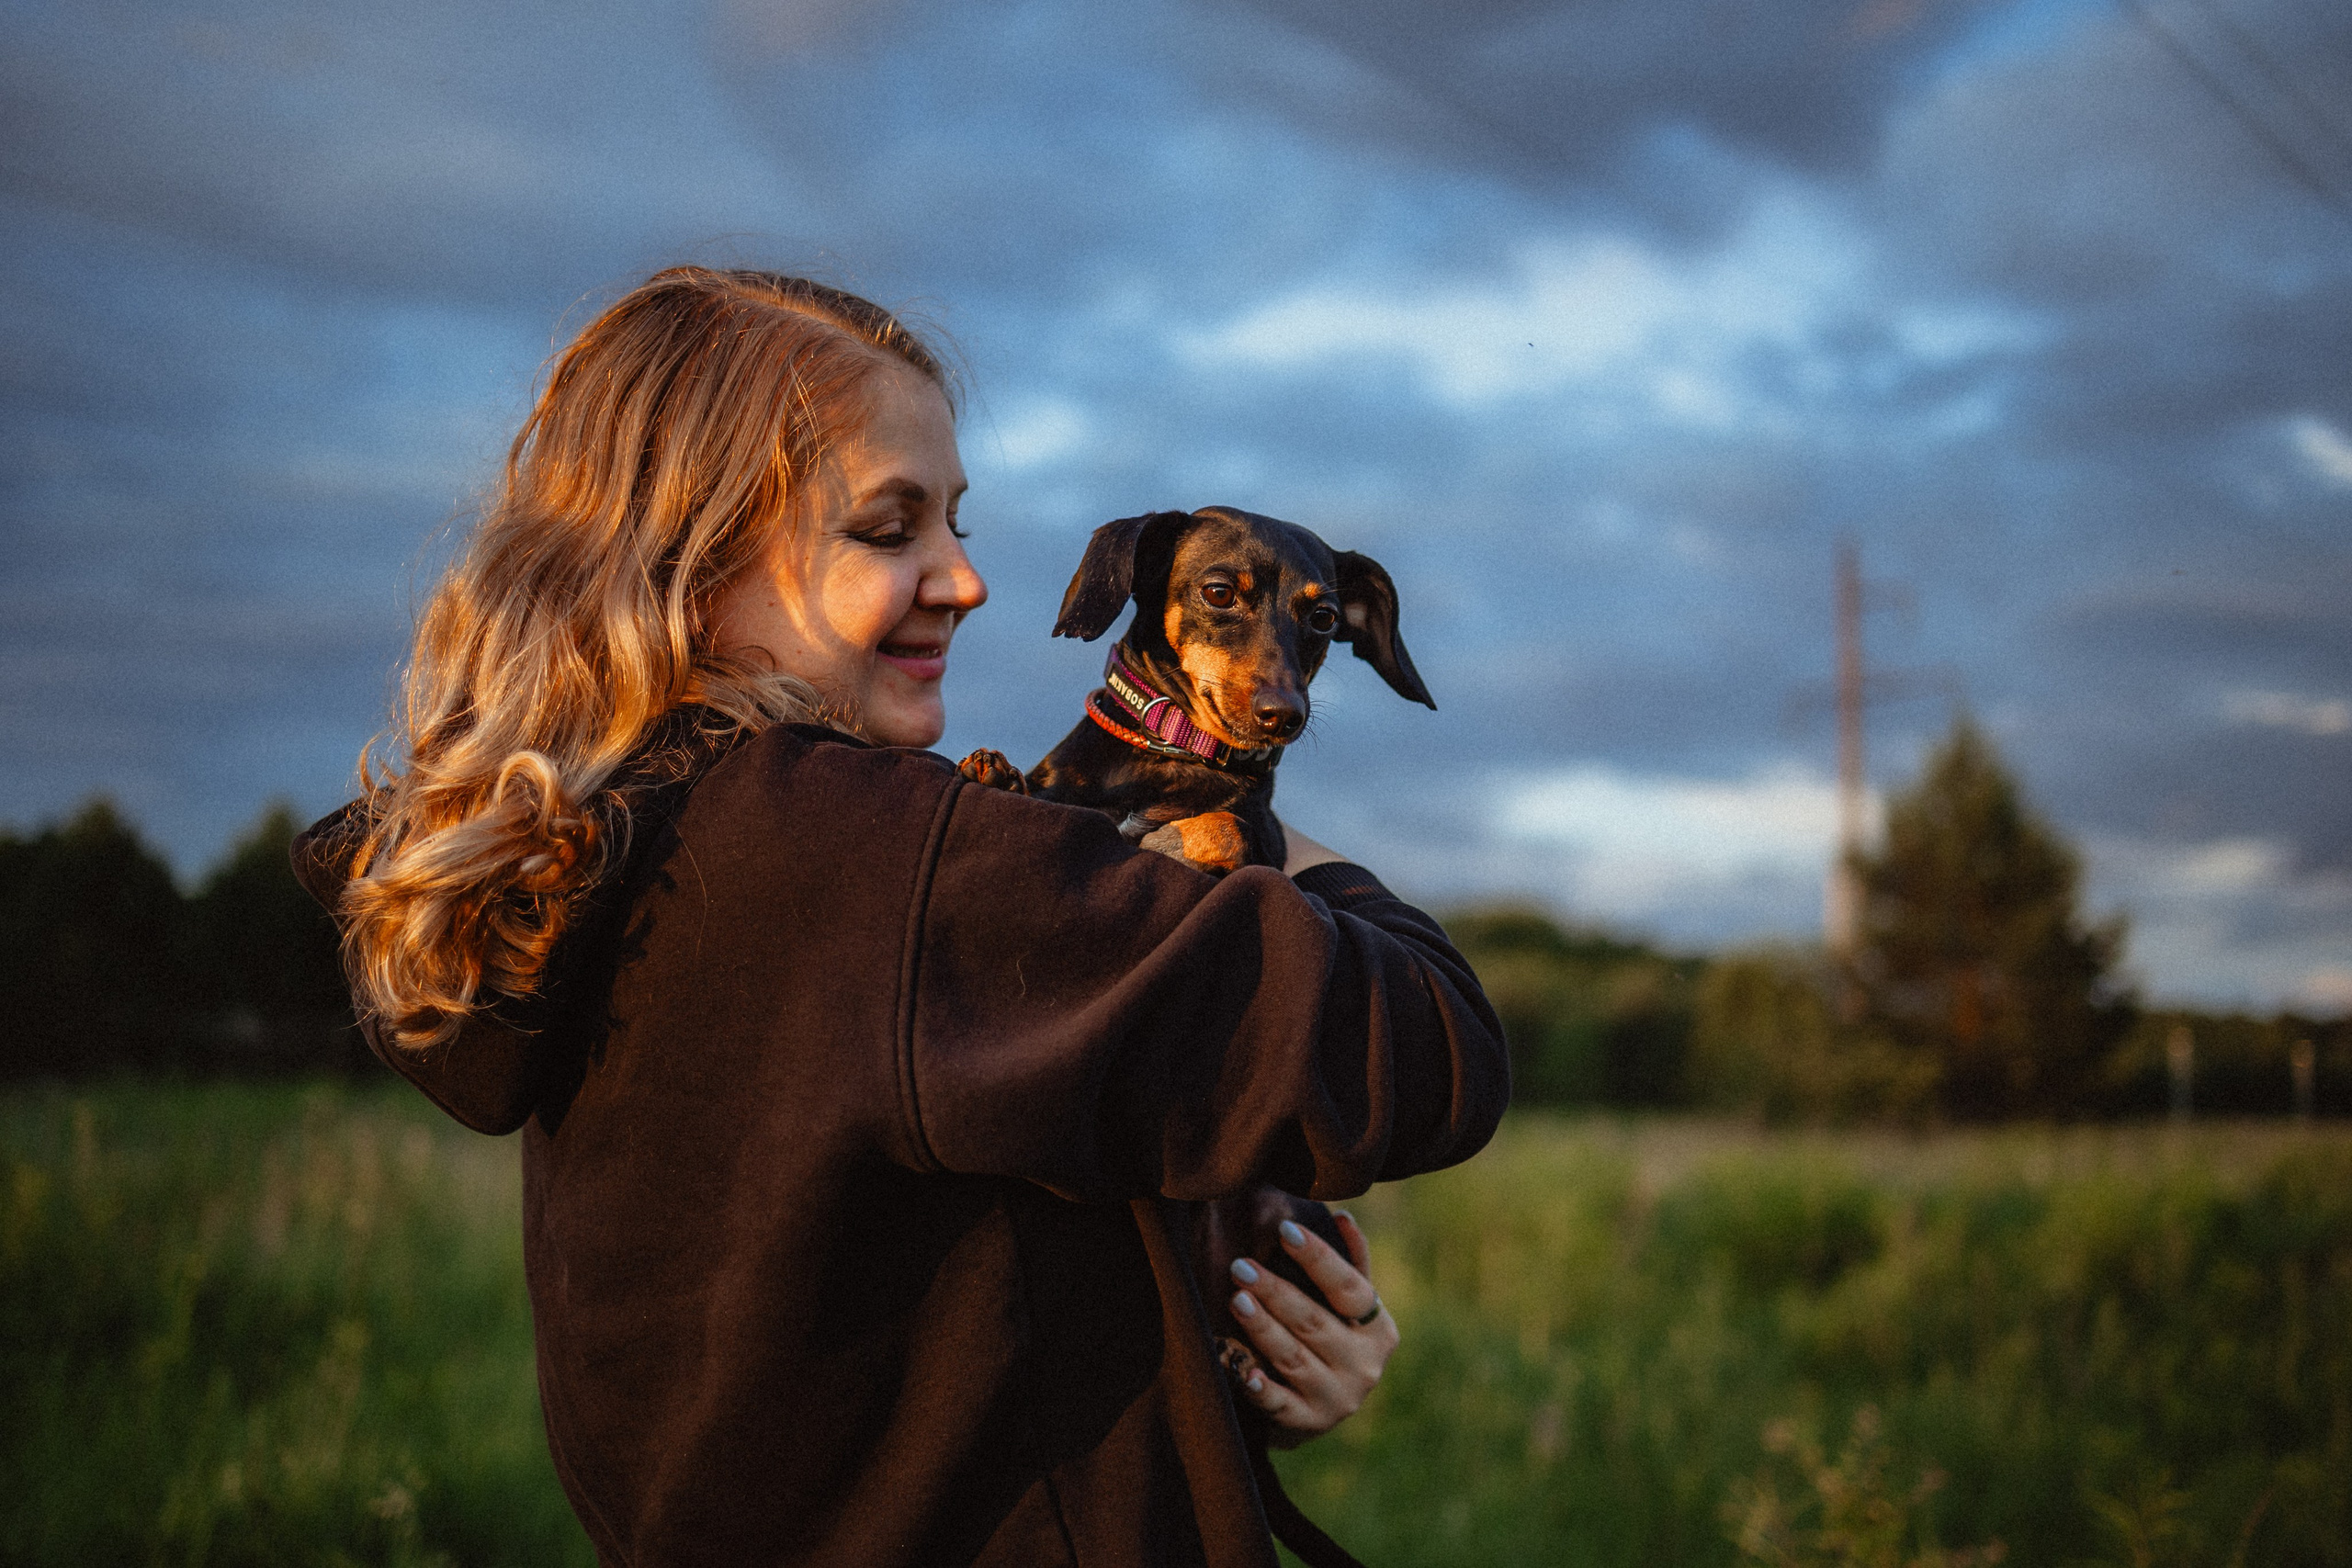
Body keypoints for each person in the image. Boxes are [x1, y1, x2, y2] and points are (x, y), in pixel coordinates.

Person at [294, 267, 1507, 1568]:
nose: (969, 582)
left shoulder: (591, 855)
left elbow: (932, 1333)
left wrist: (1223, 1368)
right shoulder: (874, 861)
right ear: (693, 567)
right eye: (890, 530)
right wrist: (1265, 824)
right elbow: (1429, 1051)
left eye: (959, 525)